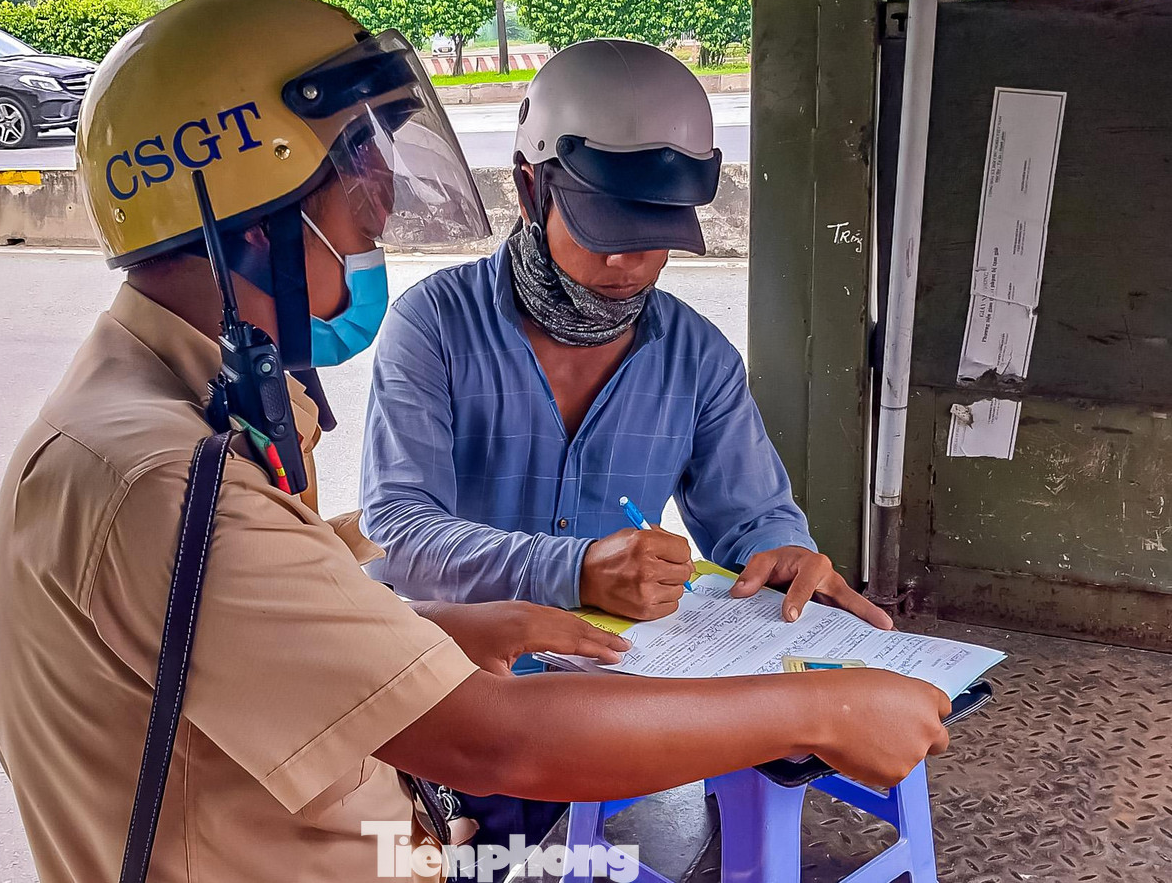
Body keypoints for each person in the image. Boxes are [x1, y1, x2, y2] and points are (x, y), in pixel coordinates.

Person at [0, 0, 950, 883]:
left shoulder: (182, 418)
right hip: (394, 803)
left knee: (645, 841)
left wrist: (443, 633)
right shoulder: (169, 476)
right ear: (245, 216)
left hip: (409, 779)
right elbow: (494, 734)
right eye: (353, 167)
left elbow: (232, 641)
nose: (380, 207)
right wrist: (825, 705)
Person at [360, 38, 891, 630]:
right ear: (528, 188)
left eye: (656, 230)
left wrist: (782, 552)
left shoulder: (699, 359)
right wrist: (574, 570)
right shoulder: (433, 324)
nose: (628, 262)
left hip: (617, 672)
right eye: (602, 227)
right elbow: (399, 534)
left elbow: (753, 520)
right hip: (458, 666)